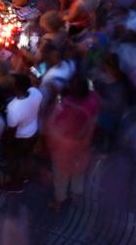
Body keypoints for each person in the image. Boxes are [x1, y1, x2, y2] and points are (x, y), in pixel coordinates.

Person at [44, 75, 100, 211]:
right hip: (84, 145)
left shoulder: (67, 104)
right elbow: (94, 119)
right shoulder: (94, 98)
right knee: (78, 171)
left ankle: (59, 202)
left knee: (61, 176)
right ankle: (76, 195)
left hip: (65, 147)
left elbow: (52, 123)